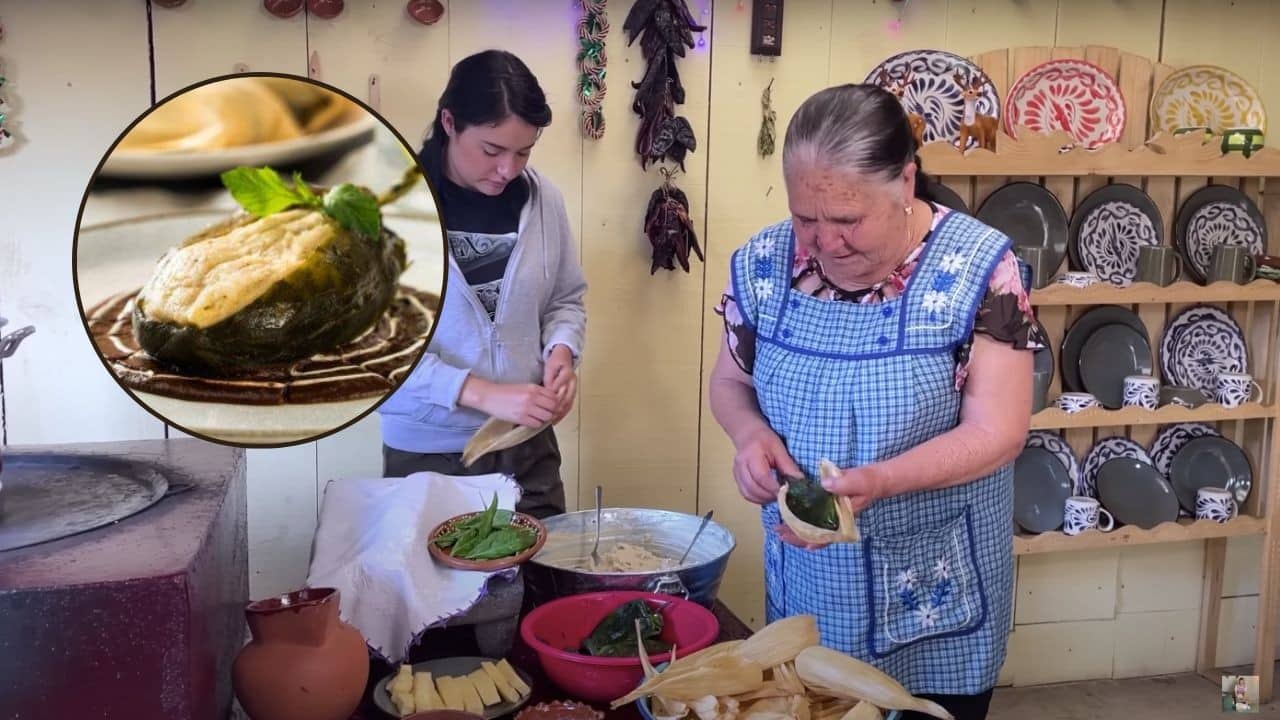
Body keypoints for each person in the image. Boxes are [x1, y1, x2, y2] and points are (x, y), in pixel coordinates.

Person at [708, 83, 1045, 720]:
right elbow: (729, 384)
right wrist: (748, 435)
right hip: (812, 580)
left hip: (934, 588)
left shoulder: (979, 268)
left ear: (906, 182)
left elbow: (999, 430)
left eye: (847, 221)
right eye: (806, 218)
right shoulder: (762, 263)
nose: (823, 244)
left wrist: (882, 480)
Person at [378, 50, 587, 520]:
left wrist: (561, 350)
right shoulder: (392, 210)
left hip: (527, 447)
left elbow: (566, 299)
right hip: (428, 456)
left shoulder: (542, 199)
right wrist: (481, 392)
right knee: (442, 593)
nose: (508, 169)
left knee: (542, 589)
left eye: (524, 151)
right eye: (492, 150)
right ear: (449, 123)